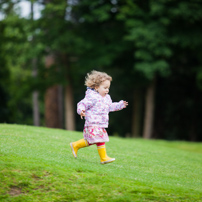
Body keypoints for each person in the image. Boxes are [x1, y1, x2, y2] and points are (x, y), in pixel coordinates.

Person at [70, 70, 128, 164]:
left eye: (108, 88)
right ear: (96, 87)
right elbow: (82, 104)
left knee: (92, 140)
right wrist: (81, 111)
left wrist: (120, 105)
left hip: (100, 124)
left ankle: (75, 145)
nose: (107, 90)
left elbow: (110, 107)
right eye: (105, 88)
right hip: (92, 123)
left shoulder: (107, 98)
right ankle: (103, 158)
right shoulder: (92, 97)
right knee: (100, 139)